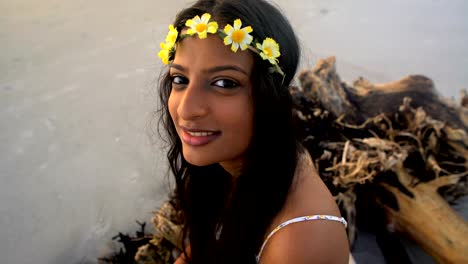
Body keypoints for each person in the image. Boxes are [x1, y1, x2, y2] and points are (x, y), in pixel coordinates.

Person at [156, 0, 349, 263]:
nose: (187, 110)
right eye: (180, 79)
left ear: (271, 96)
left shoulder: (299, 243)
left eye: (224, 83)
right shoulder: (246, 162)